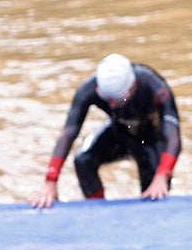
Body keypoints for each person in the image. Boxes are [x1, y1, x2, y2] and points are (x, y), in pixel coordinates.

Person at [30, 53, 181, 209]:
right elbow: (69, 132)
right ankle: (98, 210)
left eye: (117, 100)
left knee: (154, 196)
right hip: (120, 132)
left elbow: (173, 136)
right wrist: (50, 180)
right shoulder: (88, 88)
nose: (112, 105)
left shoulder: (153, 85)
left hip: (150, 140)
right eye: (107, 99)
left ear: (131, 88)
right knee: (83, 160)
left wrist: (162, 175)